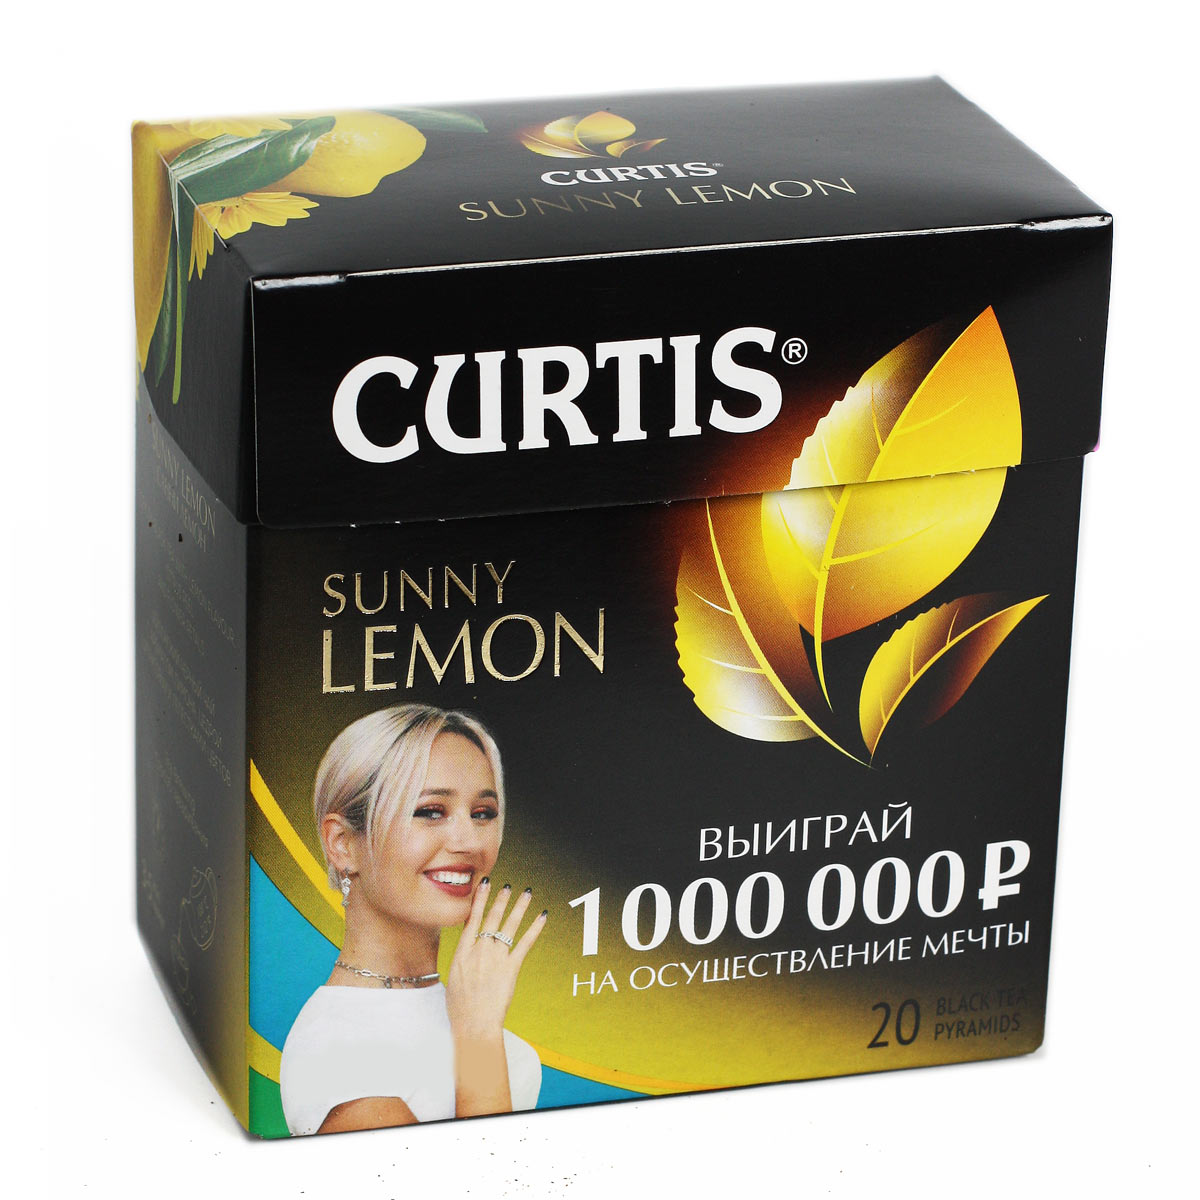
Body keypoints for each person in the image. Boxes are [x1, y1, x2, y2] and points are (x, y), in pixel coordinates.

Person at [280, 704, 546, 1135]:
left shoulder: (464, 999)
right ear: (342, 843)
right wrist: (478, 1036)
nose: (468, 841)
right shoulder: (336, 1051)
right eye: (430, 811)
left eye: (482, 813)